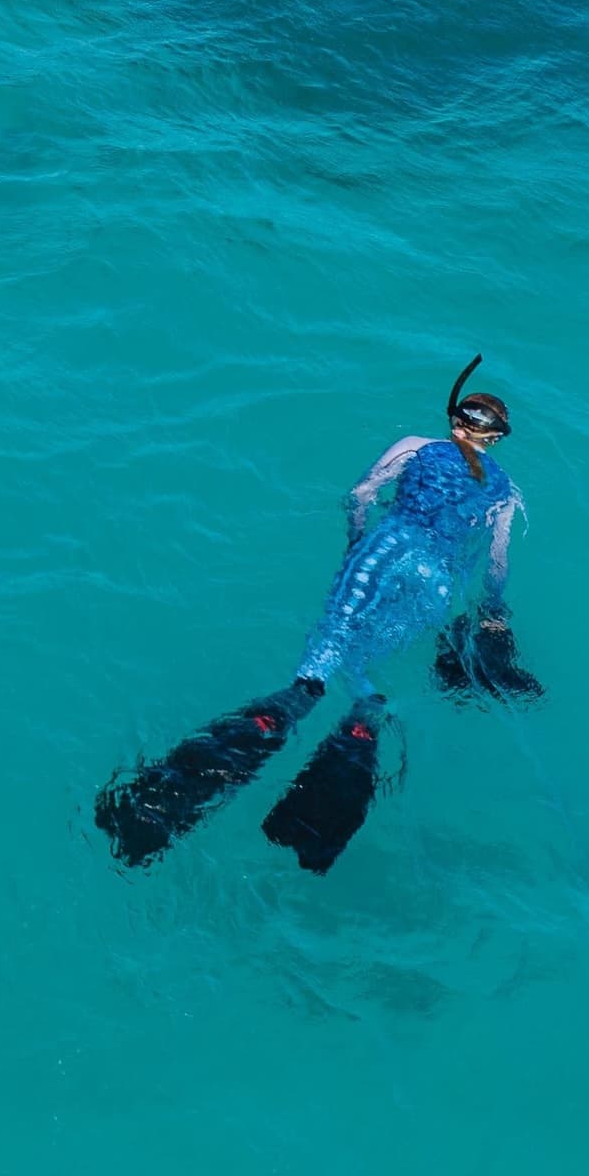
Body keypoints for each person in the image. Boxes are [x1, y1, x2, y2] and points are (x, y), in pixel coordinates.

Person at [96, 360, 540, 876]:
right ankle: (361, 727)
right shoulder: (507, 493)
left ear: (455, 421)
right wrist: (493, 615)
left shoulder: (418, 445)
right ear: (497, 439)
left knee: (315, 674)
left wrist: (358, 543)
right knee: (365, 674)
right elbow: (498, 565)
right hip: (438, 580)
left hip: (386, 548)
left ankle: (216, 765)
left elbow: (360, 496)